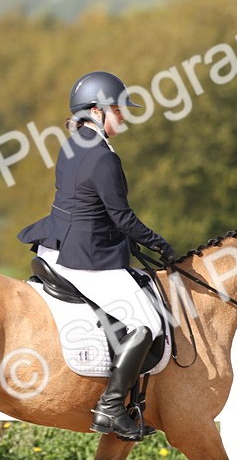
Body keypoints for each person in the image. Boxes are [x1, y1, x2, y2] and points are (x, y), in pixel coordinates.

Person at [18, 70, 177, 441]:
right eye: (117, 110)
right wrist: (159, 244)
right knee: (147, 323)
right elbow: (122, 217)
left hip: (57, 244)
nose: (123, 116)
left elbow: (88, 207)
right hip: (85, 258)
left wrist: (127, 241)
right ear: (96, 110)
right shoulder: (103, 157)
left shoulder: (73, 144)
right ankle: (111, 406)